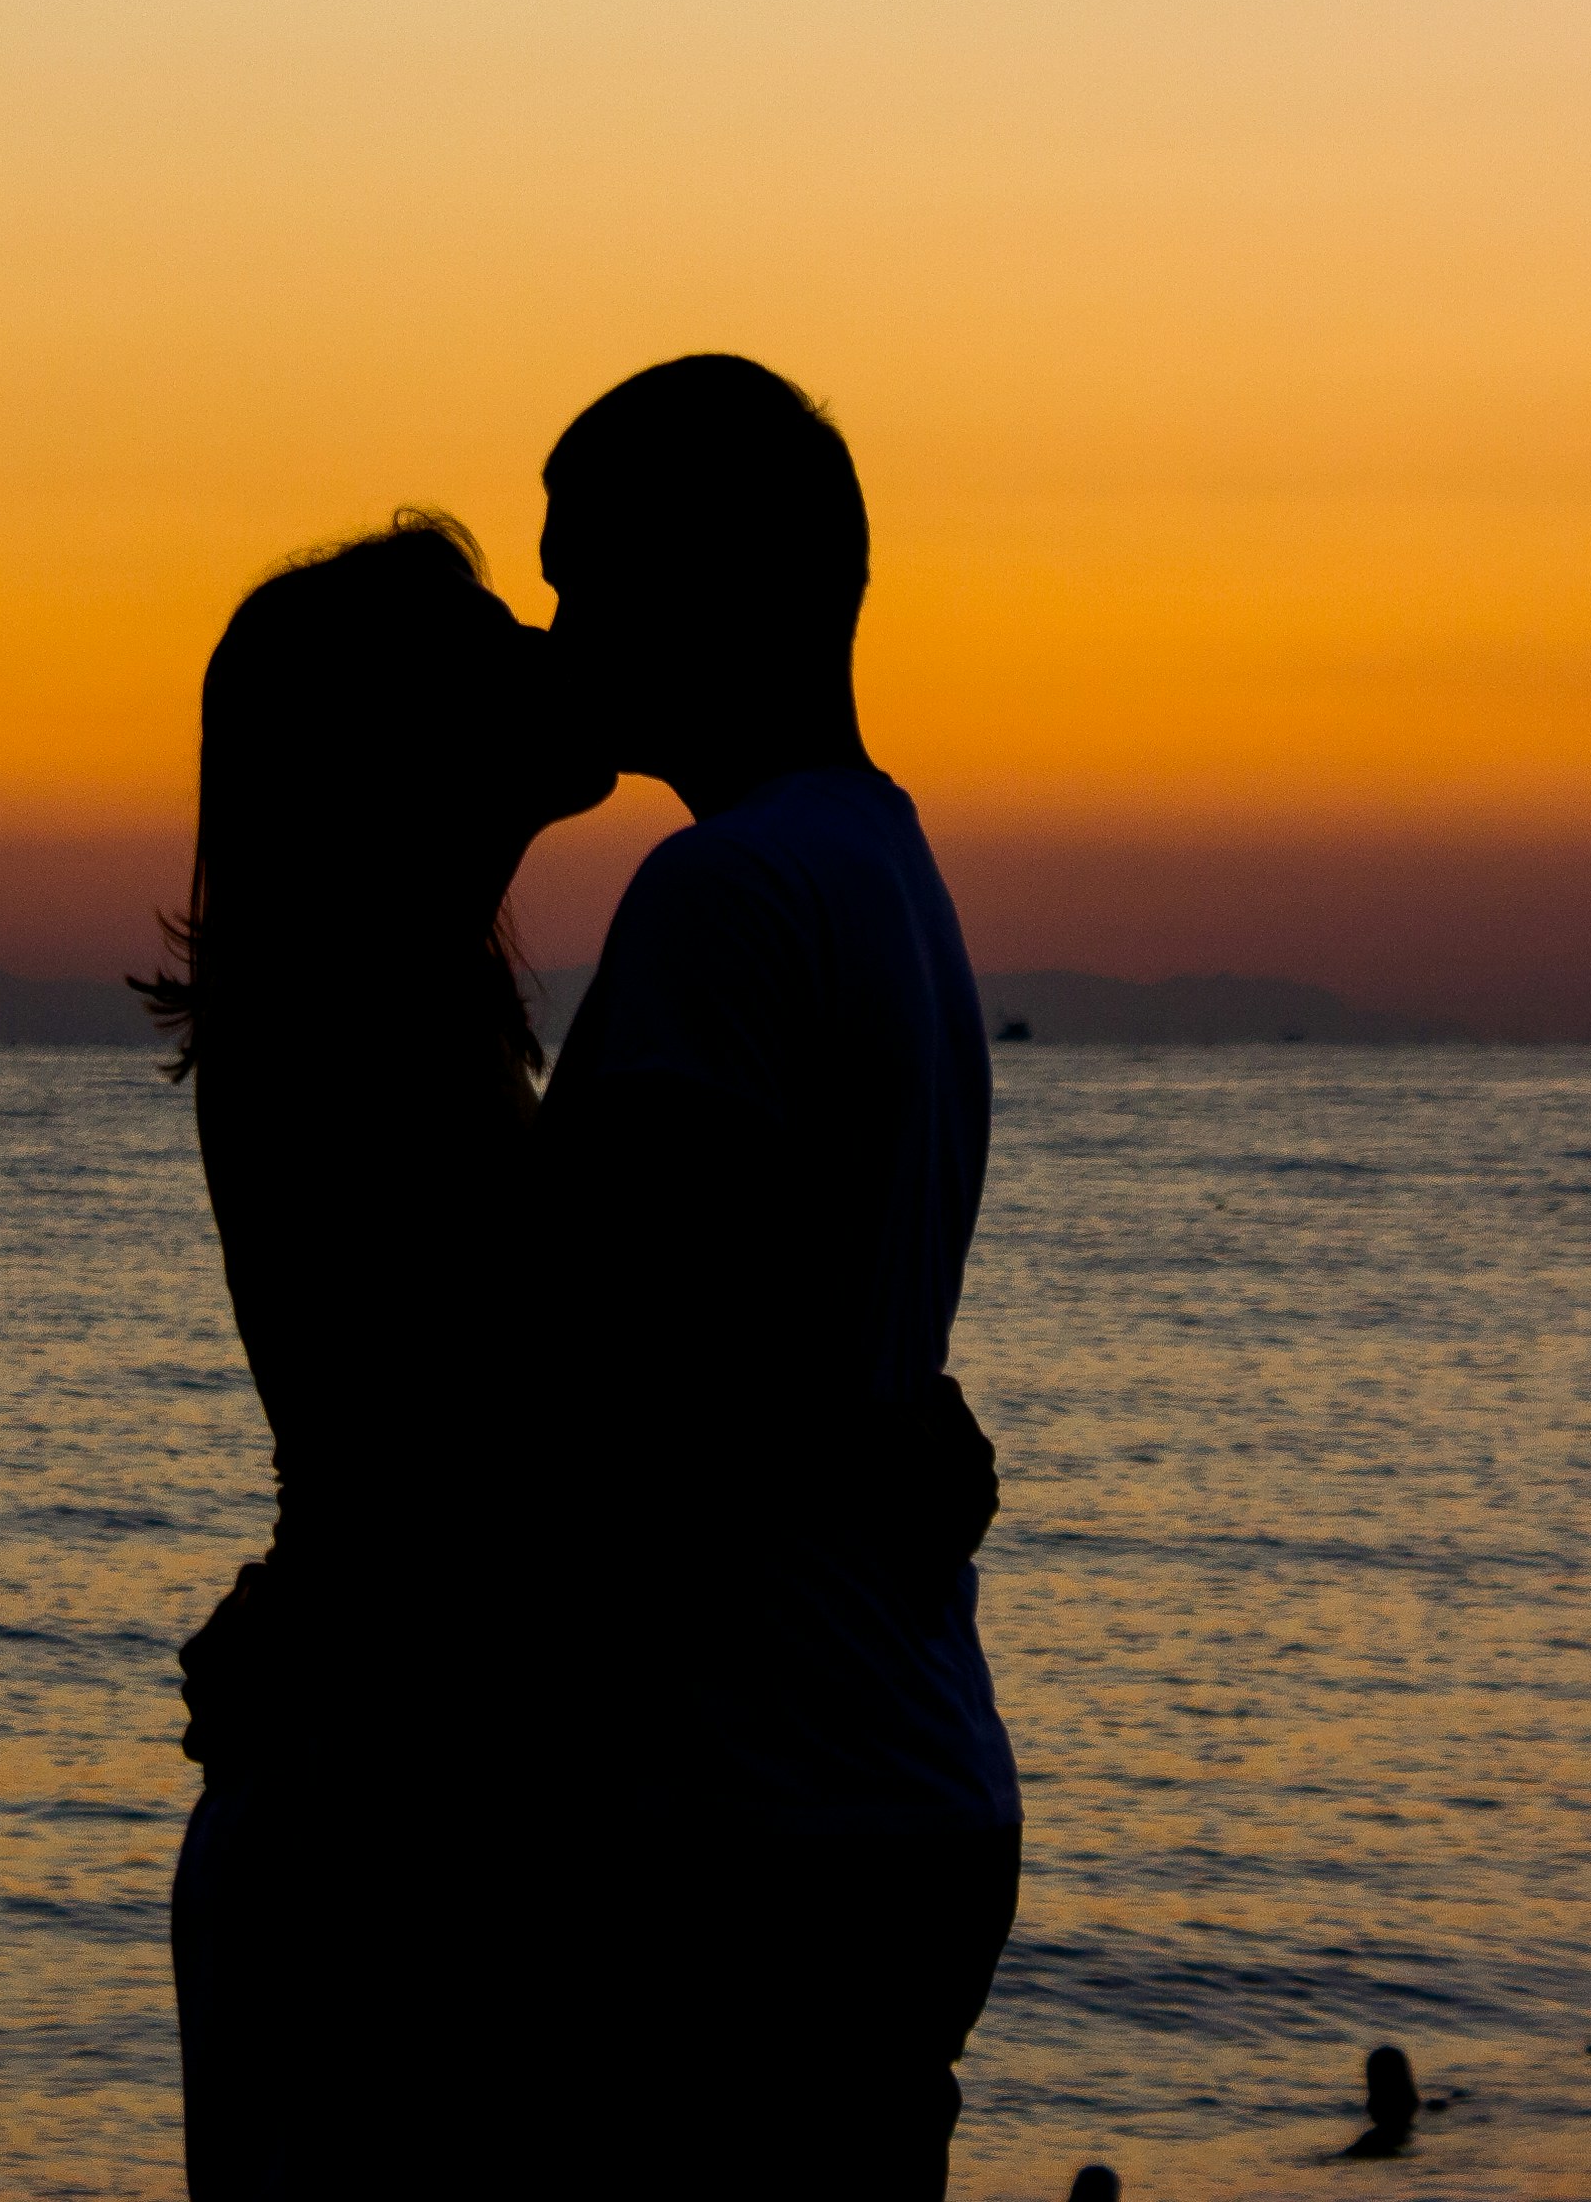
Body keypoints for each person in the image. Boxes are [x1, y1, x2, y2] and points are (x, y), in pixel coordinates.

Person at [533, 354, 1020, 2198]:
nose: (564, 625)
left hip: (765, 1820)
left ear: (709, 580)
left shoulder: (723, 892)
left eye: (589, 576)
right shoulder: (885, 865)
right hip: (899, 1777)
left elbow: (620, 1372)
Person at [145, 511, 612, 2201]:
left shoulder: (398, 1010)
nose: (547, 657)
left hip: (367, 1798)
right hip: (387, 1844)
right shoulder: (369, 1038)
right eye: (494, 643)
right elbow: (502, 1443)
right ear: (397, 748)